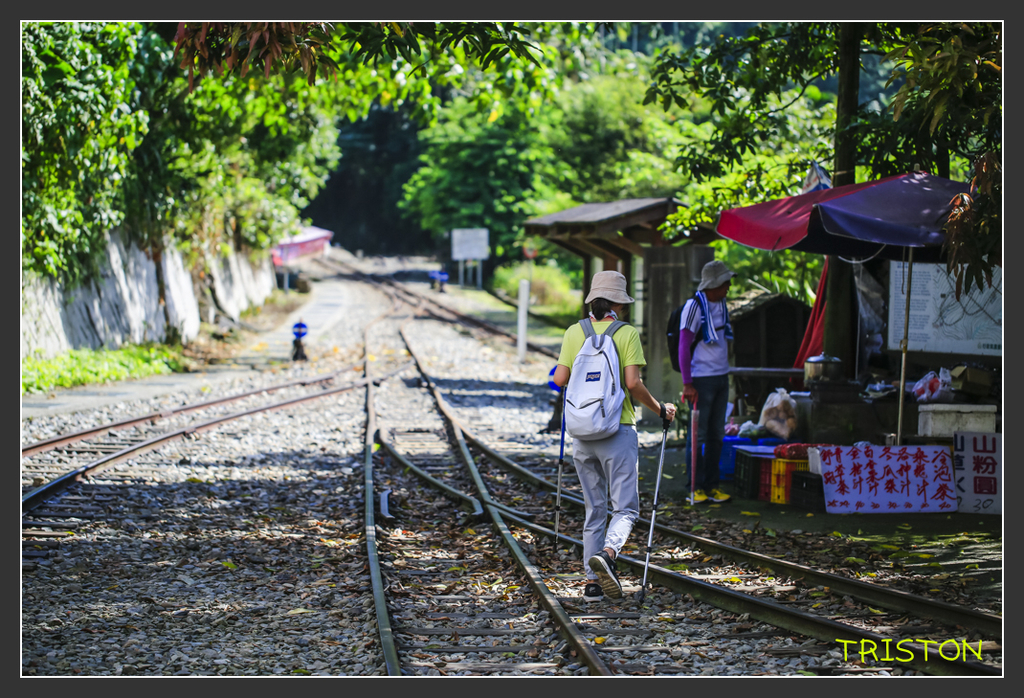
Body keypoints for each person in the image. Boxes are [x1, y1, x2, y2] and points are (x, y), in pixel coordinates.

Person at [553, 270, 677, 602]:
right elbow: (633, 384)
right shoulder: (626, 333)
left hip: (582, 433)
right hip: (617, 430)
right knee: (625, 509)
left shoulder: (574, 332)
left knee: (594, 509)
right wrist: (660, 409)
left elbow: (560, 379)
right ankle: (608, 555)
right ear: (619, 304)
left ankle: (592, 584)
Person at [679, 260, 737, 505]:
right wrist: (687, 383)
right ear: (714, 284)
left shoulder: (722, 305)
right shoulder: (694, 307)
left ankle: (713, 485)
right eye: (725, 283)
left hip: (721, 376)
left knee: (716, 435)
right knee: (698, 436)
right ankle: (694, 486)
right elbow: (683, 345)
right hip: (701, 379)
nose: (728, 287)